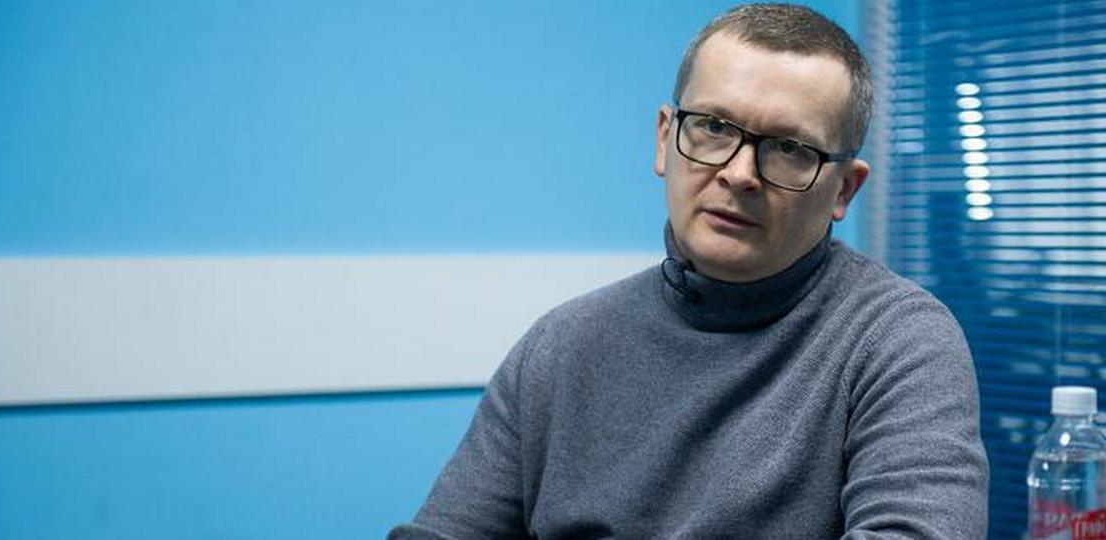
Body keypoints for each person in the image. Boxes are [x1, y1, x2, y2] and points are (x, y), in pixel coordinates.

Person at [390, 3, 989, 539]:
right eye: (715, 127)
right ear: (664, 139)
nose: (739, 174)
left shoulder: (898, 342)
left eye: (789, 148)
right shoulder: (561, 345)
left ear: (844, 190)